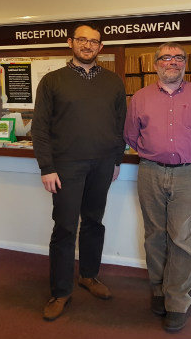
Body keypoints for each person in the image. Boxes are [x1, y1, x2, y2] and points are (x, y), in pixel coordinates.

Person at [123, 42, 191, 332]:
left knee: (181, 238)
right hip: (150, 172)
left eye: (179, 58)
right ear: (156, 64)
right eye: (166, 57)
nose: (173, 62)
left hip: (187, 175)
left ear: (185, 64)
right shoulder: (140, 97)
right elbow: (131, 135)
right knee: (154, 235)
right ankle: (158, 289)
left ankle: (177, 300)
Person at [31, 22, 127, 321]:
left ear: (101, 47)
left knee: (94, 223)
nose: (88, 45)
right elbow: (40, 128)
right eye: (82, 40)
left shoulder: (113, 82)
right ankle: (60, 291)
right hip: (66, 167)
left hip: (102, 164)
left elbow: (119, 125)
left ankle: (89, 275)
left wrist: (116, 161)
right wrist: (47, 167)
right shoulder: (52, 81)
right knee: (65, 228)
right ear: (70, 43)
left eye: (94, 42)